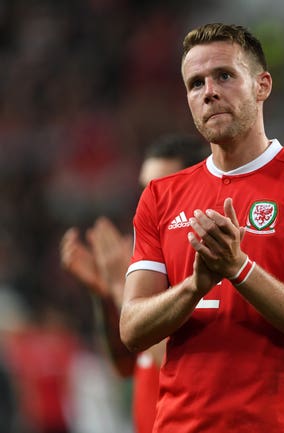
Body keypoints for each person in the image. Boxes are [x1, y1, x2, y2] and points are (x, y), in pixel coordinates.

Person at [119, 23, 284, 433]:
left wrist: (239, 269)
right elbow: (132, 329)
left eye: (224, 76)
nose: (208, 91)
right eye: (195, 84)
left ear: (262, 85)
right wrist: (196, 286)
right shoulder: (160, 195)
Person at [59, 134, 208, 433]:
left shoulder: (208, 267)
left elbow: (187, 370)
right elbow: (125, 365)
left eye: (162, 188)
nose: (148, 202)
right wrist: (104, 294)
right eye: (144, 190)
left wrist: (118, 288)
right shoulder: (151, 270)